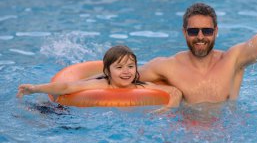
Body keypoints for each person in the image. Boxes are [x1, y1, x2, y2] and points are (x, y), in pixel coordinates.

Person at [17, 45, 182, 113]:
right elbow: (67, 87)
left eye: (130, 67)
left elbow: (174, 91)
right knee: (53, 113)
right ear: (108, 72)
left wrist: (167, 110)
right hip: (72, 110)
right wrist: (35, 88)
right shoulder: (99, 83)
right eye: (119, 67)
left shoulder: (143, 86)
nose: (126, 72)